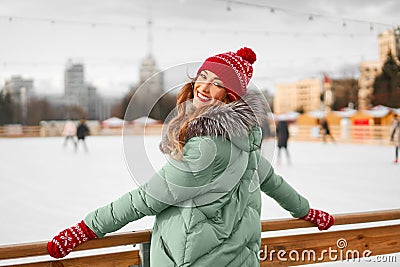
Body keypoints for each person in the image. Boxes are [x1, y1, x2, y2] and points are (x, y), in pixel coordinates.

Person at [48, 47, 334, 266]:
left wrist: (86, 228)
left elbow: (148, 198)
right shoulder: (243, 138)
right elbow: (271, 180)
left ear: (230, 95)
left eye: (217, 83)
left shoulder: (209, 145)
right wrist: (306, 211)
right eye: (203, 77)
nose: (204, 87)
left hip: (195, 258)